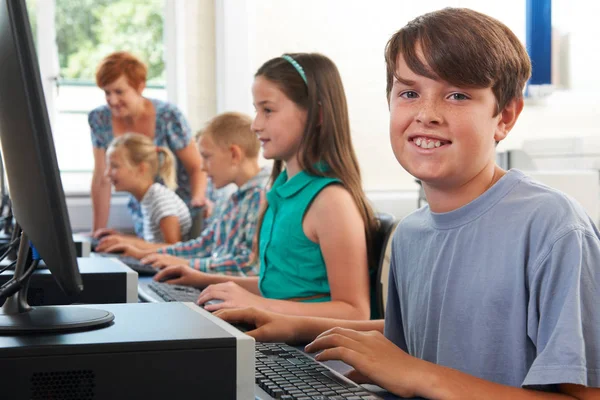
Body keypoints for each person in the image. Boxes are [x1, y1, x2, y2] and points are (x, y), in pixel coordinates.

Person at [216, 8, 600, 399]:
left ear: (505, 116)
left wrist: (418, 375)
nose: (426, 114)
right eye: (409, 93)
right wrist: (295, 325)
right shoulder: (411, 234)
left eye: (457, 95)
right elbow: (418, 337)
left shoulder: (553, 228)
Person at [153, 53, 377, 321]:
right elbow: (278, 289)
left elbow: (355, 312)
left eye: (267, 110)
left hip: (312, 353)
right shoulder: (281, 191)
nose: (256, 124)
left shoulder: (330, 201)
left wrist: (257, 305)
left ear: (316, 114)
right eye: (256, 110)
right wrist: (203, 279)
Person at [99, 112, 269, 277]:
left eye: (207, 157)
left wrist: (187, 265)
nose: (202, 167)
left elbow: (249, 265)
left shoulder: (261, 197)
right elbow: (202, 246)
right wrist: (143, 253)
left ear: (234, 154)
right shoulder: (234, 199)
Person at [88, 51, 207, 238]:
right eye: (106, 92)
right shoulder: (99, 119)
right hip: (145, 205)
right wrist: (97, 233)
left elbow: (196, 166)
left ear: (140, 87)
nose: (112, 100)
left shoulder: (168, 115)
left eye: (119, 91)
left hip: (180, 203)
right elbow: (101, 178)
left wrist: (198, 201)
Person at [104, 133, 191, 244]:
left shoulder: (160, 199)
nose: (107, 173)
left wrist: (127, 243)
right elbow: (153, 243)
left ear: (141, 168)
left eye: (114, 166)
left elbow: (174, 248)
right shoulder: (148, 198)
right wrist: (123, 239)